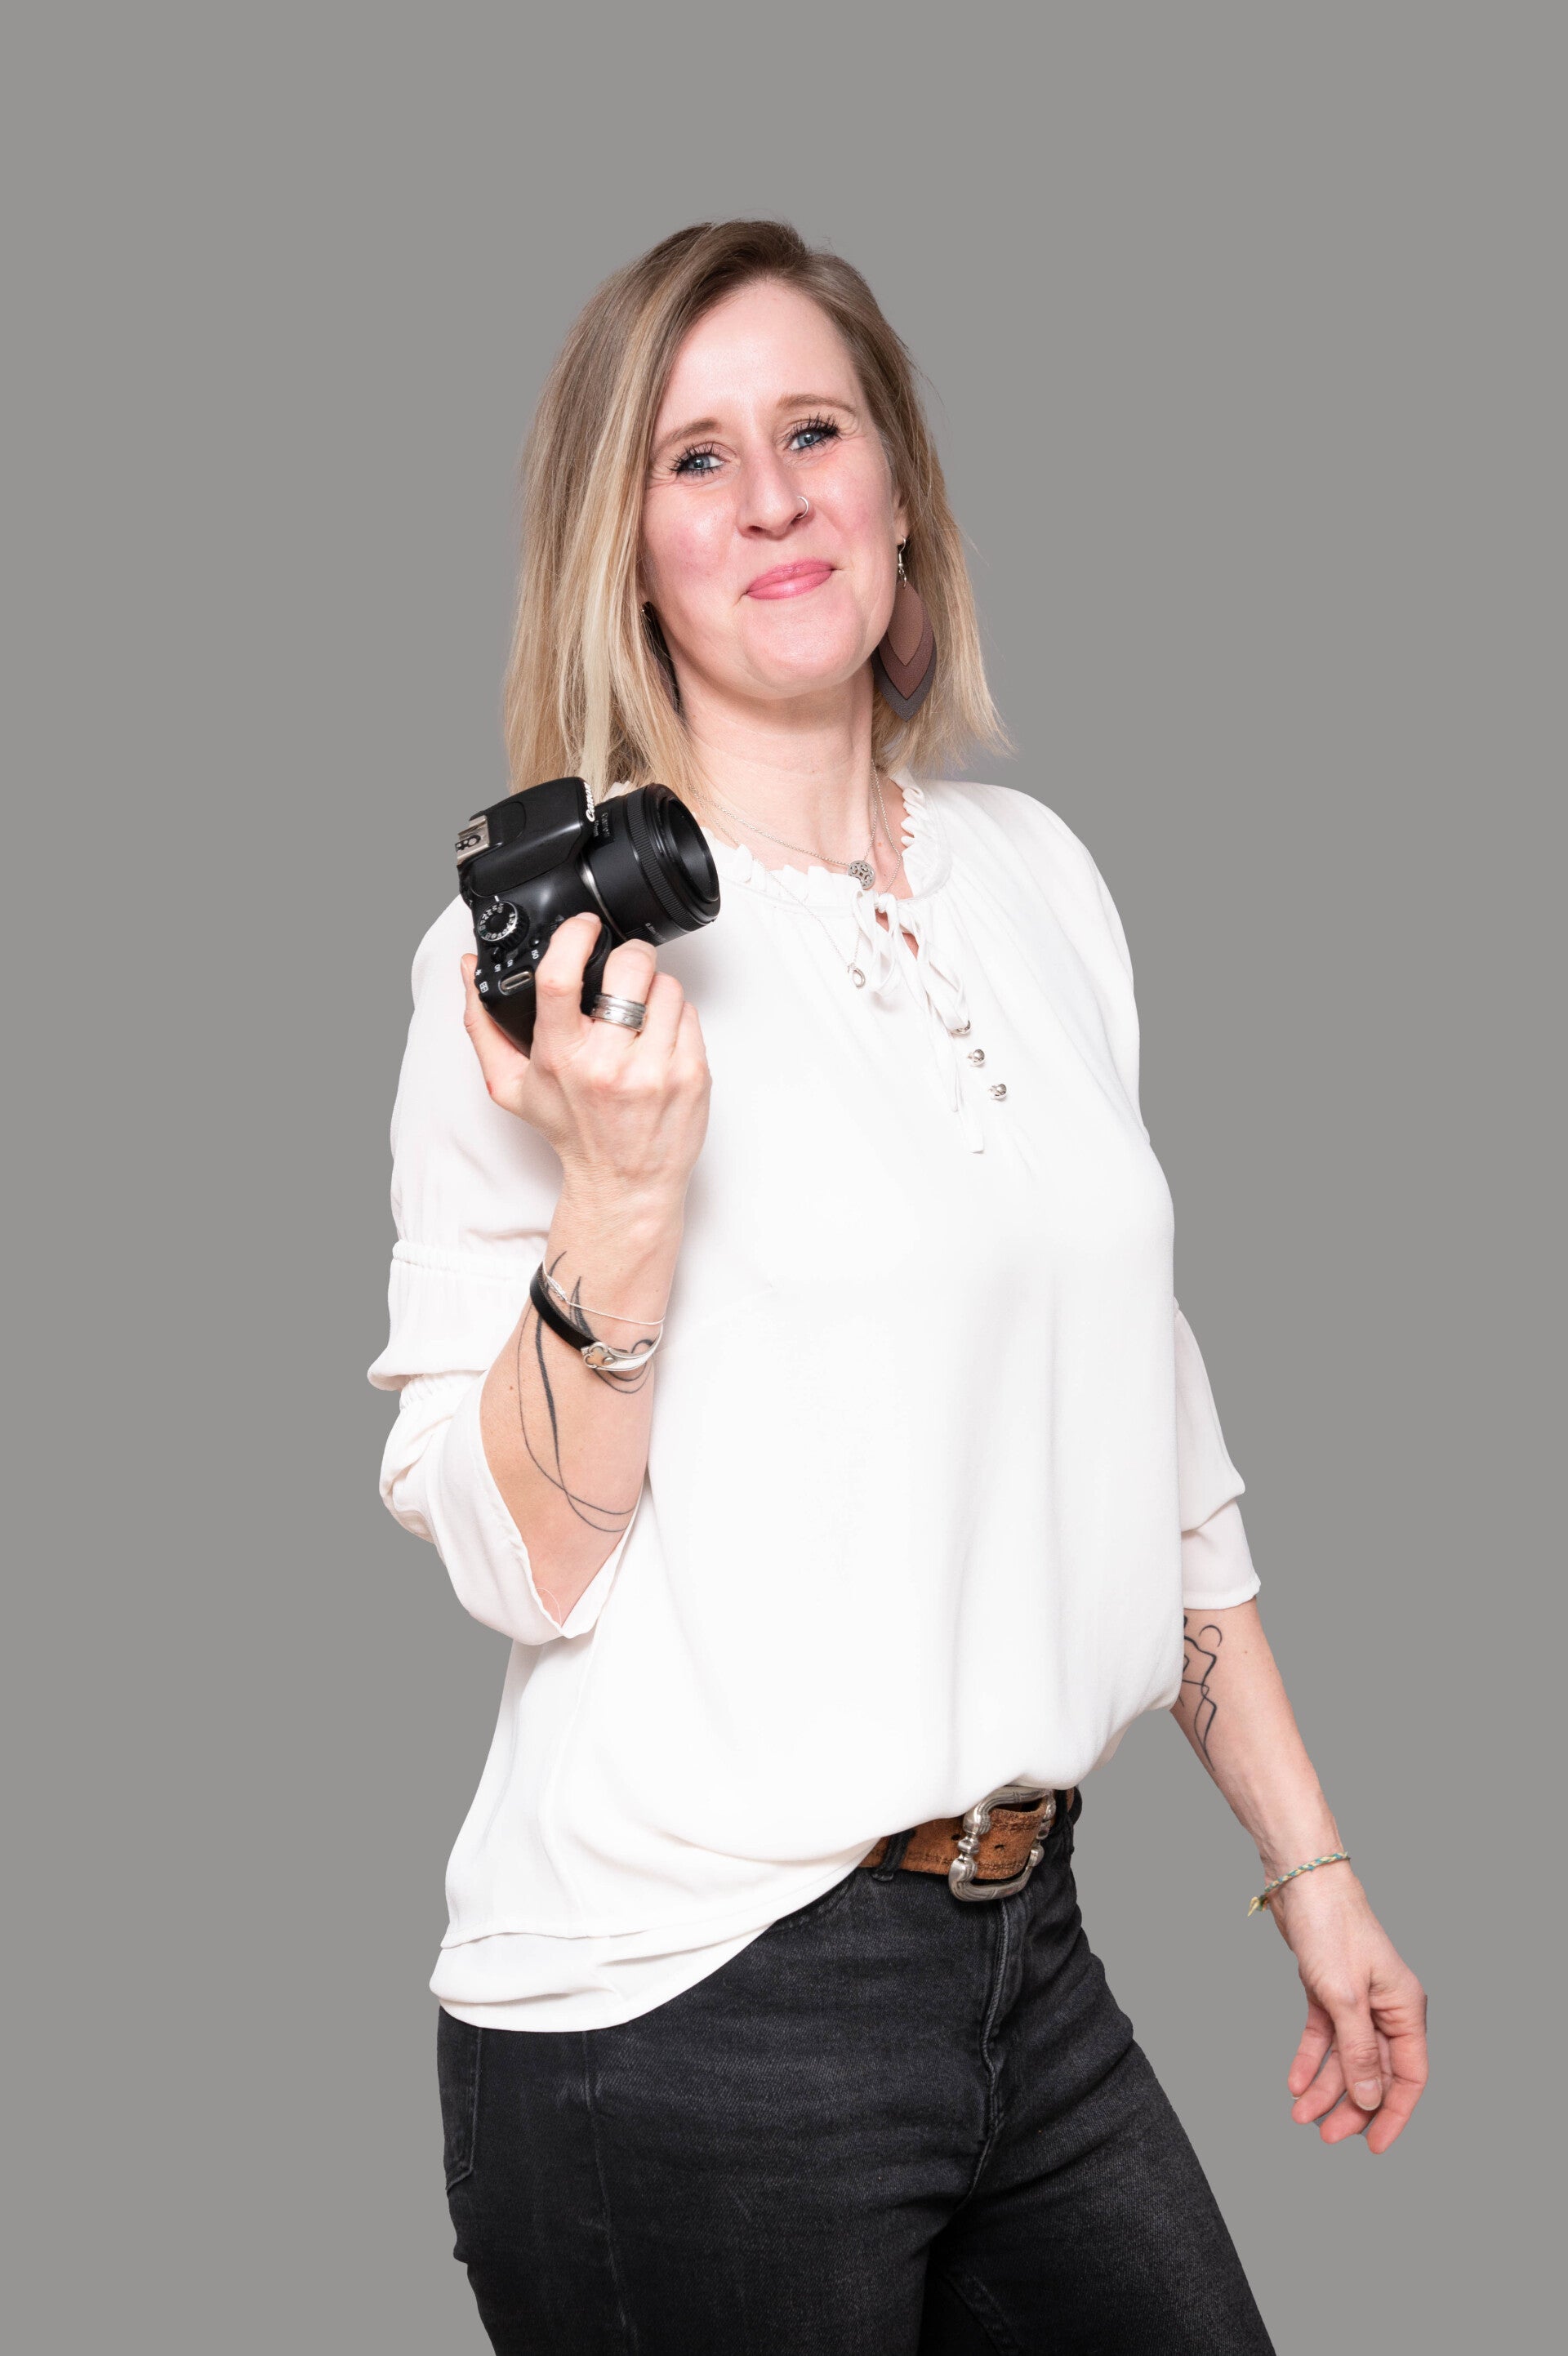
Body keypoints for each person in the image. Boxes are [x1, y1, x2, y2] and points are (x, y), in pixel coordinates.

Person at [368, 220, 1428, 2355]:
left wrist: (1311, 1868)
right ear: (627, 551)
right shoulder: (547, 972)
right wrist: (623, 1194)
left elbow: (1149, 1437)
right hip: (680, 2006)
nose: (771, 497)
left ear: (901, 492)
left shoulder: (1042, 882)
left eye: (815, 431)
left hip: (1026, 1956)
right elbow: (517, 1560)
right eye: (695, 458)